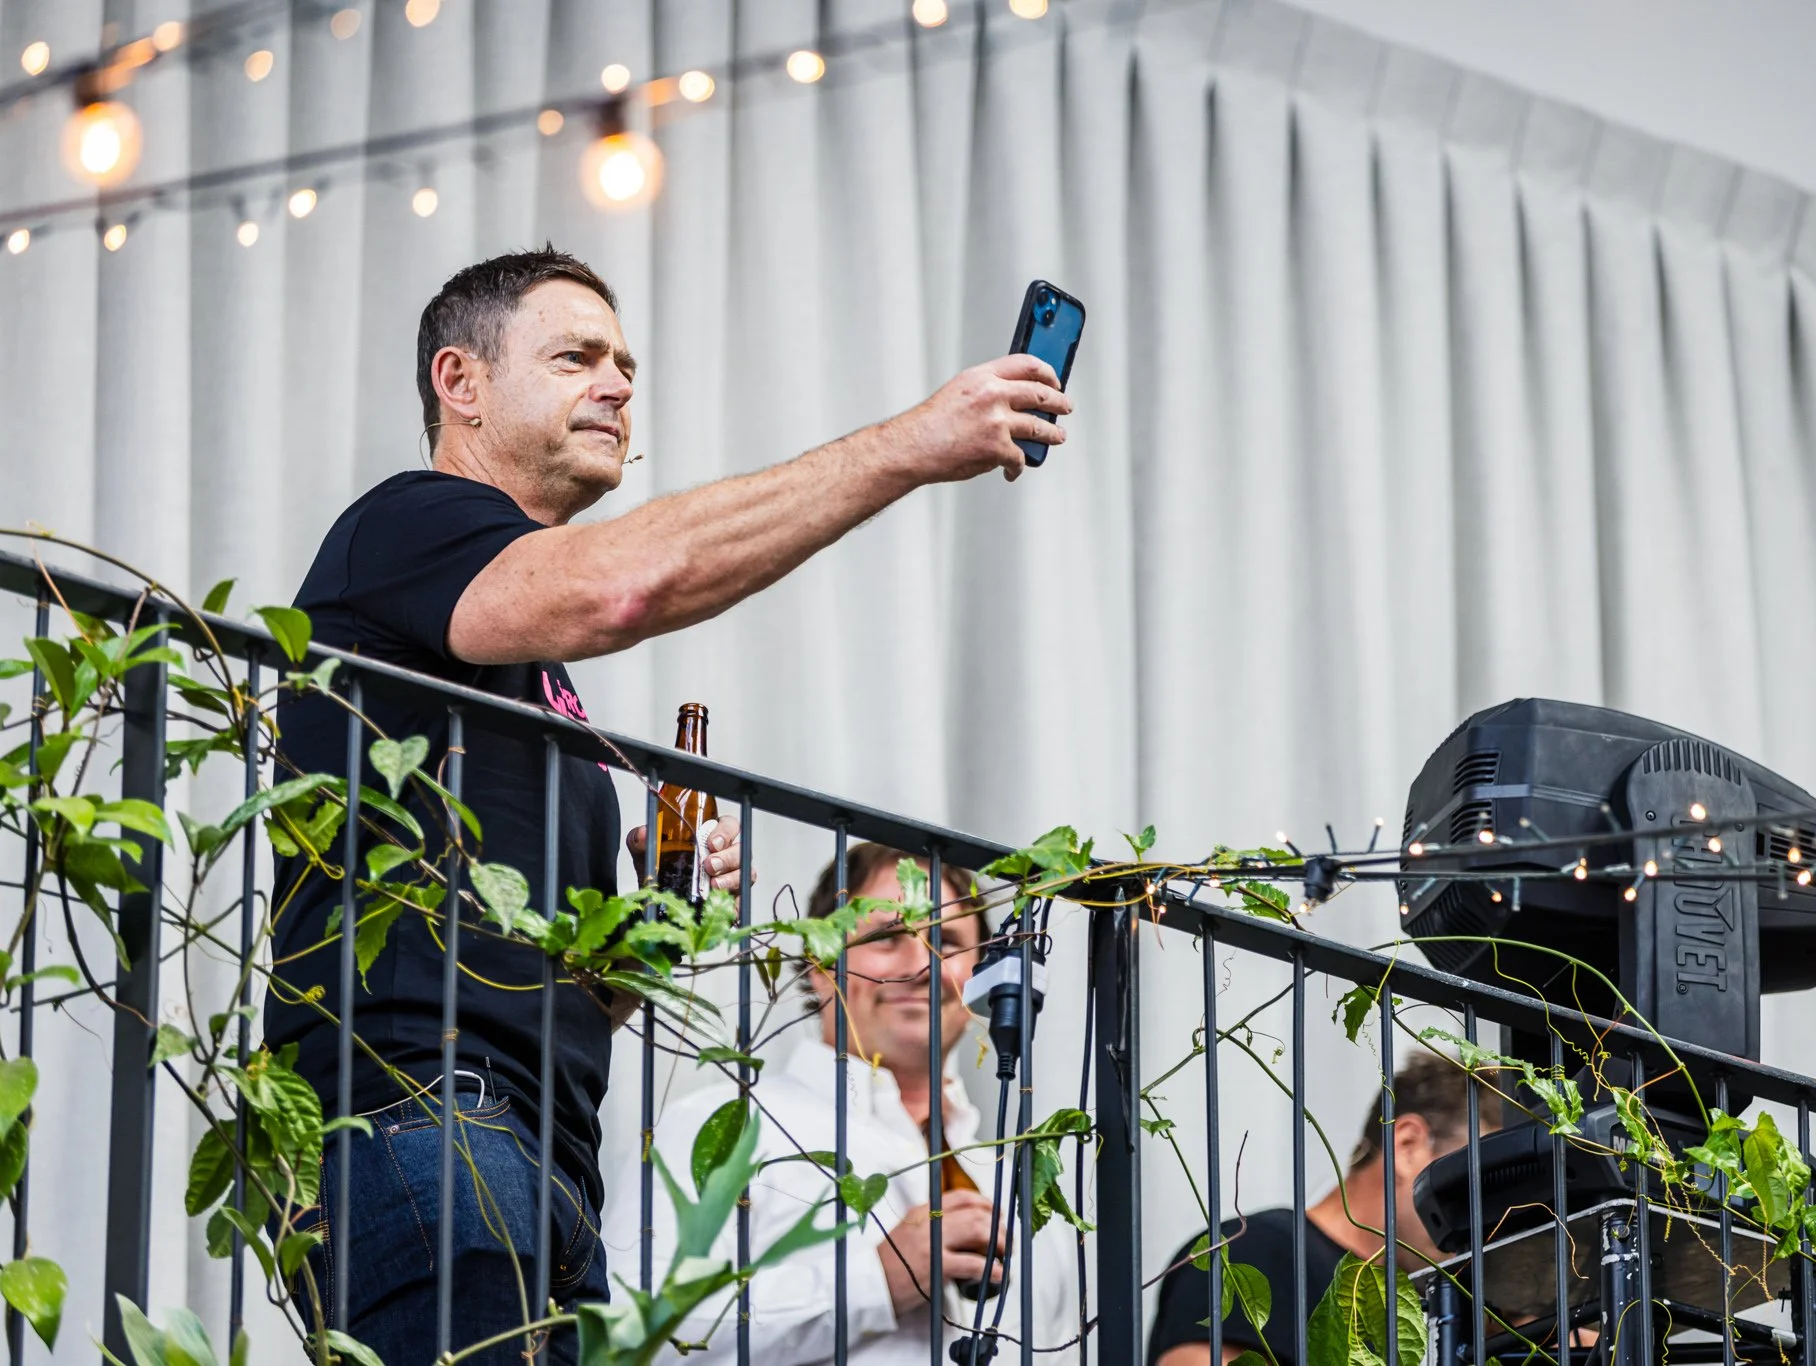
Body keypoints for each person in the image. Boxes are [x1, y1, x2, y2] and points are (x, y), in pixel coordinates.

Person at [266, 247, 1074, 1363]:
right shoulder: (404, 524)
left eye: (625, 364)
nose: (615, 384)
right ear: (460, 382)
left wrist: (653, 918)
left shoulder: (530, 683)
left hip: (538, 1153)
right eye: (575, 356)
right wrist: (909, 445)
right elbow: (621, 584)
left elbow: (568, 999)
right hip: (426, 1124)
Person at [626, 843, 1079, 1365]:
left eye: (948, 941)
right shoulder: (726, 1126)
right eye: (888, 936)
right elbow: (634, 1336)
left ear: (980, 975)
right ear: (818, 965)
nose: (921, 965)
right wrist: (874, 1283)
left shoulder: (1020, 1182)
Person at [1147, 1052, 1503, 1366]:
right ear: (1407, 1145)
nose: (1497, 1215)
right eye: (1487, 1180)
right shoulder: (1260, 1252)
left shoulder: (1405, 1301)